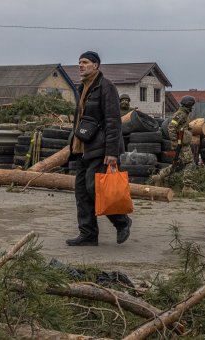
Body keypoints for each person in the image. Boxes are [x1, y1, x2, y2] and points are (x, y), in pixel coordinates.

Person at [66, 51, 132, 246]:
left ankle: (122, 222)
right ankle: (88, 234)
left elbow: (113, 121)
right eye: (79, 62)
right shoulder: (82, 88)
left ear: (96, 65)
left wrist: (112, 152)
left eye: (85, 62)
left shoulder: (106, 87)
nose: (80, 66)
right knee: (81, 193)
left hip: (101, 148)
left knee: (95, 188)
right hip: (82, 148)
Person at [151, 95, 196, 192]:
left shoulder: (184, 114)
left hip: (183, 142)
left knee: (177, 164)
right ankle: (187, 186)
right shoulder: (181, 114)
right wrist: (174, 141)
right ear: (189, 105)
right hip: (181, 144)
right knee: (190, 163)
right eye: (192, 105)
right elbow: (171, 127)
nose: (192, 107)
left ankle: (159, 177)